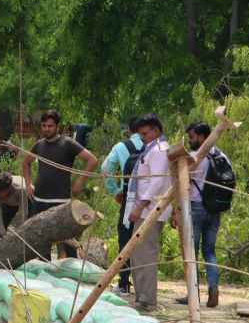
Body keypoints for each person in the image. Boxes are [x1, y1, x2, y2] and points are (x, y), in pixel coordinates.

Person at [22, 109, 98, 258]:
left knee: (66, 243)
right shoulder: (39, 145)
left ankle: (68, 274)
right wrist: (28, 183)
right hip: (39, 200)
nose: (46, 129)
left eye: (50, 126)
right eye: (44, 125)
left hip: (61, 201)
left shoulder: (67, 143)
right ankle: (43, 272)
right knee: (39, 241)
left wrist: (80, 182)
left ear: (57, 126)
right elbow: (26, 164)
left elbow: (92, 160)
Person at [175, 121, 229, 308]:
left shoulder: (194, 157)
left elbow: (182, 183)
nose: (190, 141)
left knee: (192, 253)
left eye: (192, 137)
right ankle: (213, 289)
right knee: (210, 252)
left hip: (196, 207)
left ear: (202, 136)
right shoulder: (222, 156)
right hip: (215, 209)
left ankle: (193, 294)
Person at [125, 114, 171, 312]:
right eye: (140, 134)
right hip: (145, 209)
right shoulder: (150, 149)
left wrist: (140, 206)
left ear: (156, 130)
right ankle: (141, 295)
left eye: (145, 133)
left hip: (151, 210)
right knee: (138, 254)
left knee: (146, 254)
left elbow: (157, 182)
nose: (142, 137)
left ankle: (147, 299)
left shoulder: (160, 150)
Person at [101, 116, 144, 295]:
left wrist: (115, 191)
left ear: (129, 130)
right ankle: (144, 286)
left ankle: (124, 283)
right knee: (146, 242)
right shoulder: (156, 147)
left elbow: (105, 169)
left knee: (125, 238)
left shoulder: (121, 147)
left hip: (129, 197)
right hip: (152, 199)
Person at [0, 171, 30, 237]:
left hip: (25, 200)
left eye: (1, 192)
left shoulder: (20, 190)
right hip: (8, 205)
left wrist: (17, 229)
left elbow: (23, 212)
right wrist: (2, 231)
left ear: (9, 188)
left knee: (25, 228)